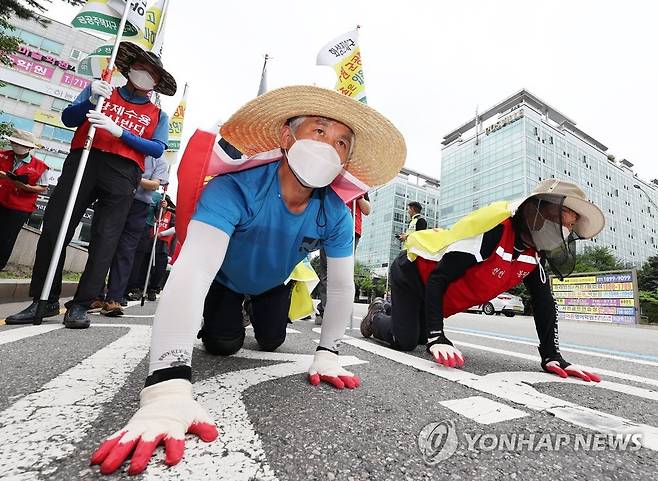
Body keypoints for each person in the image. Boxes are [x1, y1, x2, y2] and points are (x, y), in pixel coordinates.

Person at [89, 85, 406, 475]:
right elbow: (194, 269)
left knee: (272, 341)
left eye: (342, 143)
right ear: (287, 137)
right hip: (225, 282)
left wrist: (328, 352)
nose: (329, 147)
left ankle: (259, 311)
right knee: (223, 345)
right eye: (319, 132)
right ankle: (226, 316)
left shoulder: (336, 214)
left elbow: (341, 285)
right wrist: (166, 386)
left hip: (273, 285)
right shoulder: (233, 188)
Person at [361, 179, 605, 383]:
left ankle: (399, 312)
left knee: (420, 337)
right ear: (542, 209)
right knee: (405, 340)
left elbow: (544, 303)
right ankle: (376, 315)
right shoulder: (494, 230)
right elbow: (438, 278)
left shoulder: (534, 255)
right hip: (413, 274)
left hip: (437, 295)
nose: (566, 230)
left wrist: (552, 356)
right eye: (566, 220)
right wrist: (438, 335)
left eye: (571, 226)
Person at [5, 42, 175, 328]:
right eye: (140, 68)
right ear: (128, 68)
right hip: (84, 158)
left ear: (156, 82)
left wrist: (120, 131)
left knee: (106, 236)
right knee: (56, 227)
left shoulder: (158, 114)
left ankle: (82, 303)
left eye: (151, 73)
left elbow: (157, 148)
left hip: (124, 170)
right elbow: (68, 118)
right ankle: (43, 299)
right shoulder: (102, 90)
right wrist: (89, 101)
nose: (144, 74)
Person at [89, 155, 169, 316]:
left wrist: (130, 177)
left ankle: (114, 298)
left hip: (139, 206)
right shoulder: (127, 150)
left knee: (125, 251)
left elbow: (154, 185)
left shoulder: (159, 160)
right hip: (114, 197)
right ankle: (93, 295)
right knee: (102, 245)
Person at [315, 193, 371, 325]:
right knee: (326, 272)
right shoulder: (330, 179)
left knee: (343, 272)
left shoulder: (359, 185)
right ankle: (324, 310)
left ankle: (337, 312)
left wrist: (358, 195)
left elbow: (367, 210)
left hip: (350, 230)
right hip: (328, 227)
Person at [0, 129, 49, 271]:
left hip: (20, 207)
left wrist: (25, 186)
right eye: (15, 143)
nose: (17, 147)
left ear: (30, 147)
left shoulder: (41, 166)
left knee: (7, 238)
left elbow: (43, 187)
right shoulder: (2, 155)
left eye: (21, 145)